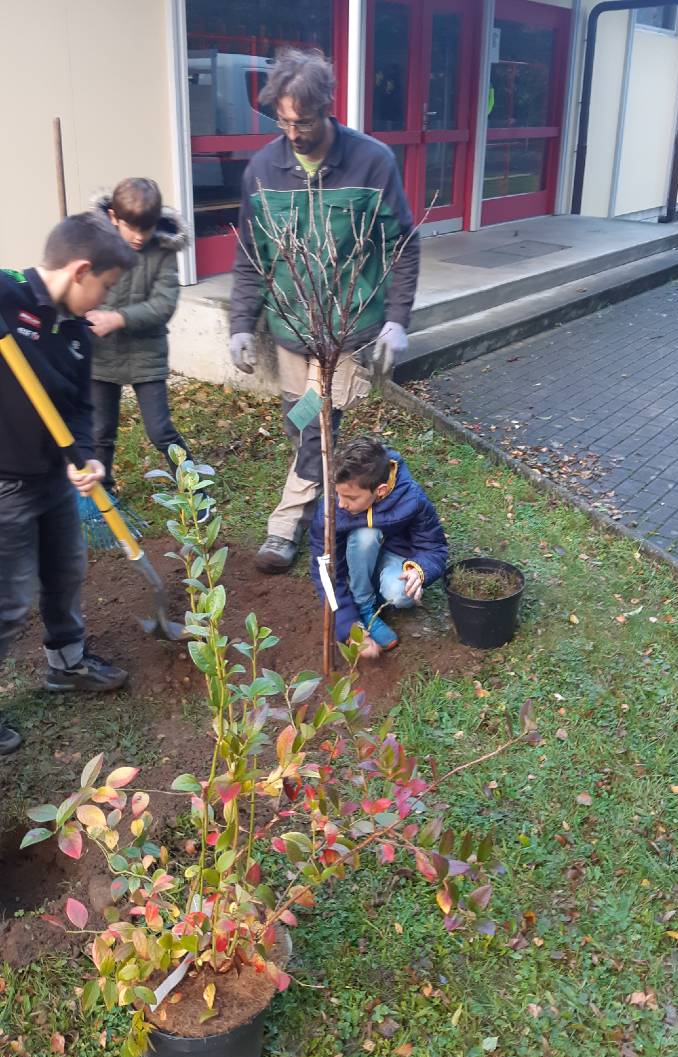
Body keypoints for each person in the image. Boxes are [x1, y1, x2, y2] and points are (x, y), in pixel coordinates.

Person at [230, 48, 419, 574]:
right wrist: (240, 324)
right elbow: (251, 254)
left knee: (316, 429)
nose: (294, 131)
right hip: (293, 332)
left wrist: (397, 319)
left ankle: (286, 529)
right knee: (302, 425)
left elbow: (400, 244)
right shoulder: (263, 169)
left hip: (348, 331)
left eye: (304, 120)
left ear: (327, 106)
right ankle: (349, 489)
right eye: (283, 120)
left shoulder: (371, 161)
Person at [0, 213, 136, 755]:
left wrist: (87, 458)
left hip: (53, 478)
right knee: (8, 602)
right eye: (105, 286)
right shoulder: (9, 295)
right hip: (4, 484)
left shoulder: (76, 330)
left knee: (66, 572)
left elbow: (79, 407)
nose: (104, 299)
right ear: (81, 271)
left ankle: (66, 663)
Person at [87, 179, 198, 506]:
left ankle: (192, 487)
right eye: (131, 228)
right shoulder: (93, 247)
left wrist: (117, 318)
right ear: (113, 217)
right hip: (100, 356)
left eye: (146, 229)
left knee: (160, 429)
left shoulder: (162, 252)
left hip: (146, 355)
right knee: (99, 432)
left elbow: (165, 304)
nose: (139, 236)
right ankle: (103, 494)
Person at [310, 435, 447, 658]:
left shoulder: (412, 498)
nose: (341, 503)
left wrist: (420, 570)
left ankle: (373, 595)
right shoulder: (332, 508)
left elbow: (434, 547)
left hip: (393, 556)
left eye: (350, 498)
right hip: (352, 560)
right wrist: (347, 625)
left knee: (402, 594)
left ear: (380, 491)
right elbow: (324, 569)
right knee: (365, 535)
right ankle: (363, 608)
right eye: (337, 493)